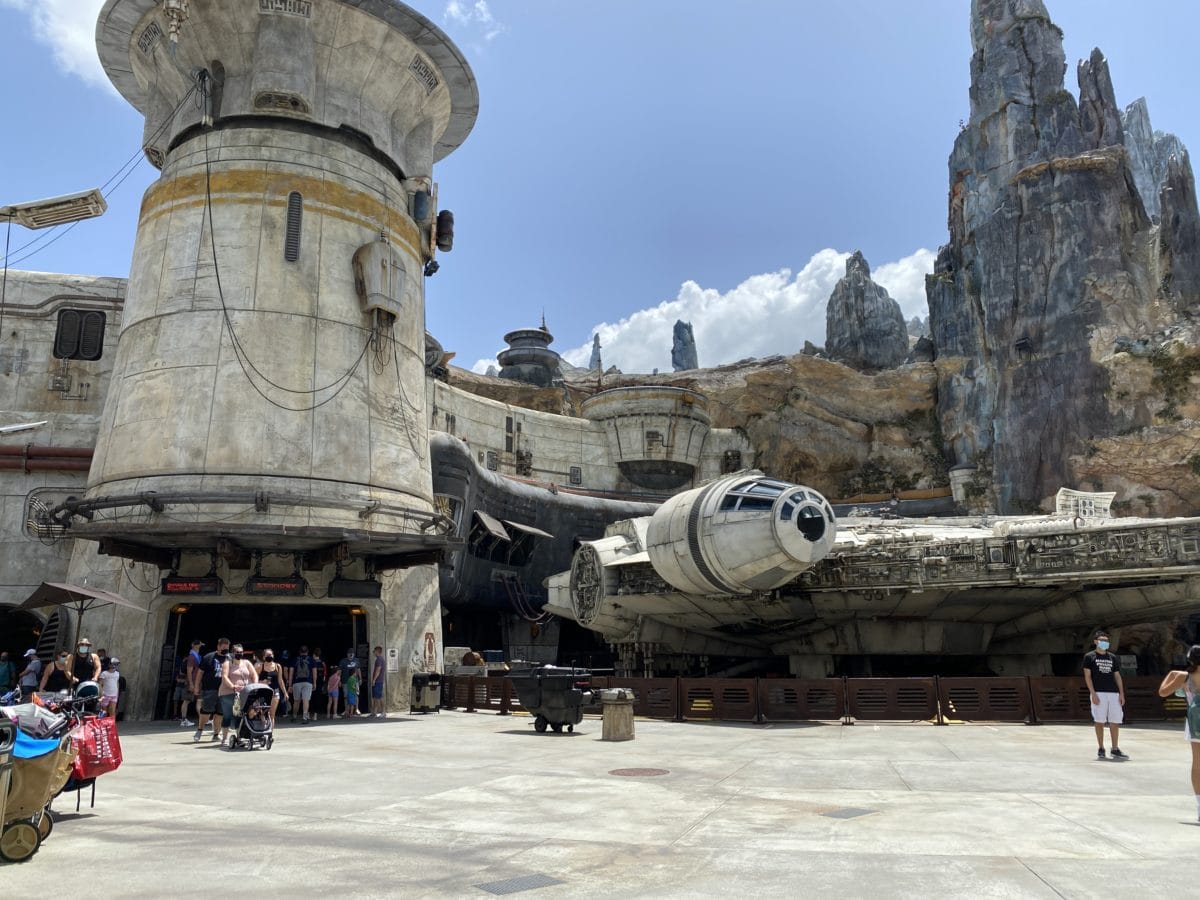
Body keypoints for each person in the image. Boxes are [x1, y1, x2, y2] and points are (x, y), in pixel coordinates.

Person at [1158, 645, 1200, 821]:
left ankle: (1199, 806)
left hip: (1195, 724)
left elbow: (1163, 692)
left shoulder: (1184, 677)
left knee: (1197, 764)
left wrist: (1172, 674)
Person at [1083, 630, 1127, 760]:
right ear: (1096, 642)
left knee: (1115, 721)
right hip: (1099, 693)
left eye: (1106, 641)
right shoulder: (1089, 657)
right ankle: (1101, 747)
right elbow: (1087, 677)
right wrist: (1093, 693)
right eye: (1102, 640)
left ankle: (1115, 748)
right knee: (1099, 721)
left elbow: (1117, 676)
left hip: (1113, 693)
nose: (1105, 643)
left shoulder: (1112, 657)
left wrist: (1121, 694)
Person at [218, 642, 257, 748]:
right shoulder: (227, 663)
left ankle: (239, 738)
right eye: (237, 652)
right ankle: (224, 739)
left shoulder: (247, 663)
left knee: (239, 716)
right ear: (232, 653)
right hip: (228, 693)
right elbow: (225, 677)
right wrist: (233, 686)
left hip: (243, 693)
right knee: (227, 716)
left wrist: (254, 685)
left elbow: (254, 675)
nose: (239, 654)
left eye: (241, 652)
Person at [194, 637, 230, 744]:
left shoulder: (230, 658)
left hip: (224, 690)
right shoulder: (209, 657)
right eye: (223, 647)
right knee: (206, 710)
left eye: (227, 648)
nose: (225, 650)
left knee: (220, 713)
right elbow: (200, 673)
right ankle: (200, 730)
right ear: (218, 647)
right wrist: (196, 686)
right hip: (210, 689)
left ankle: (216, 734)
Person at [288, 644, 316, 724]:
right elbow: (314, 673)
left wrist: (290, 685)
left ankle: (294, 716)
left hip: (297, 682)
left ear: (299, 652)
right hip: (308, 682)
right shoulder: (311, 660)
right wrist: (314, 683)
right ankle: (305, 717)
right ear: (307, 652)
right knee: (306, 700)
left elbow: (291, 673)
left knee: (296, 700)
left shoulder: (294, 660)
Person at [255, 648, 285, 722]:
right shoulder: (259, 667)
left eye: (271, 655)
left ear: (273, 656)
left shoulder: (278, 666)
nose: (269, 656)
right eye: (267, 655)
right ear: (264, 657)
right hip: (263, 692)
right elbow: (253, 680)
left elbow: (280, 680)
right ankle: (263, 730)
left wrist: (285, 692)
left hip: (275, 692)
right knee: (264, 713)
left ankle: (270, 732)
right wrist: (262, 682)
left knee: (272, 714)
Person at [180, 639, 204, 727]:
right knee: (186, 700)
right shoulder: (191, 657)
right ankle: (183, 720)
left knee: (199, 700)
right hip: (192, 682)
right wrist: (190, 683)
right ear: (194, 645)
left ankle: (203, 719)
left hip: (198, 681)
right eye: (198, 644)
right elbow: (189, 671)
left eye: (200, 644)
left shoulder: (197, 656)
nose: (199, 646)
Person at [369, 646, 386, 718]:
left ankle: (383, 712)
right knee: (375, 697)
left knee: (379, 696)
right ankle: (374, 712)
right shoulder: (380, 659)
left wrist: (374, 680)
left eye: (374, 651)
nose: (373, 652)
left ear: (377, 651)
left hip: (378, 681)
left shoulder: (379, 659)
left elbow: (378, 670)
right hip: (378, 681)